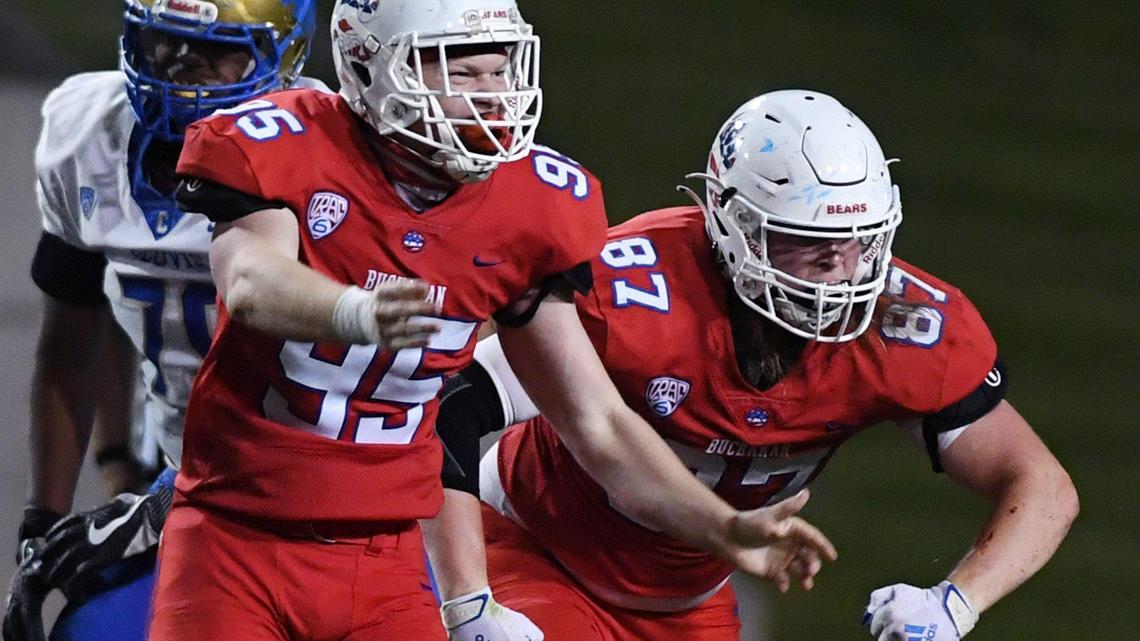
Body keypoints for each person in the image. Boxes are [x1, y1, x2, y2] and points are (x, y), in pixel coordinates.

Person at [145, 2, 837, 641]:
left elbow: (594, 419)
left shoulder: (533, 202)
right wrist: (347, 309)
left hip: (385, 554)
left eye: (501, 66)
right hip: (235, 535)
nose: (491, 89)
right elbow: (249, 279)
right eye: (458, 67)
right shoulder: (285, 141)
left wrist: (723, 526)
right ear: (367, 64)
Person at [431, 90, 1080, 641]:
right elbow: (452, 399)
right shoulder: (634, 293)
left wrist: (953, 603)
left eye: (859, 241)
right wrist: (467, 597)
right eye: (811, 243)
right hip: (536, 551)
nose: (841, 269)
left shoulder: (904, 328)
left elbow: (1042, 485)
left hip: (688, 599)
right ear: (733, 225)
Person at [3, 2, 321, 641]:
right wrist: (51, 516)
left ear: (284, 54)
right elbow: (76, 339)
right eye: (163, 44)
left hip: (329, 492)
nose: (183, 72)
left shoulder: (333, 154)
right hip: (181, 476)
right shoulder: (91, 130)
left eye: (218, 51)